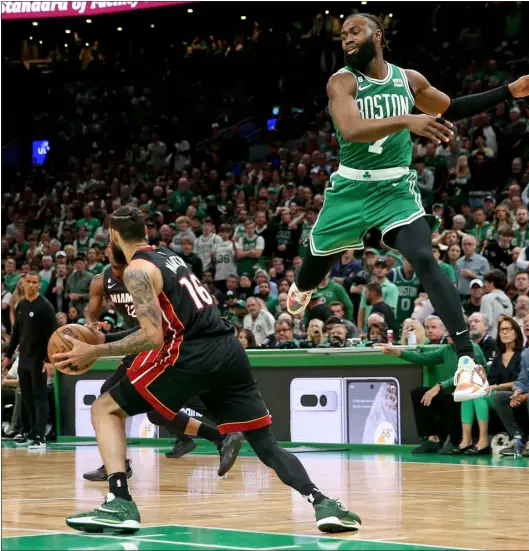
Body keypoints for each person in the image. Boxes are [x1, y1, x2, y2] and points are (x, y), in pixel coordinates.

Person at [54, 205, 360, 534]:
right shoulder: (169, 256)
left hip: (190, 352)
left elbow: (153, 335)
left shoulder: (136, 271)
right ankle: (323, 503)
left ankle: (119, 502)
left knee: (104, 408)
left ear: (113, 236)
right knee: (266, 445)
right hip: (229, 350)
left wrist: (96, 350)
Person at [286, 12, 529, 400]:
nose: (347, 38)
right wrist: (407, 120)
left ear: (379, 34)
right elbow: (352, 130)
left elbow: (450, 107)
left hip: (395, 188)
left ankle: (466, 360)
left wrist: (510, 89)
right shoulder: (341, 81)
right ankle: (302, 288)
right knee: (313, 269)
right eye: (343, 34)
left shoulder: (408, 79)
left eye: (355, 30)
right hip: (351, 190)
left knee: (425, 258)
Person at [82, 242, 238, 480]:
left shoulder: (143, 270)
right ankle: (218, 436)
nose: (115, 249)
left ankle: (118, 465)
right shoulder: (101, 280)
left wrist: (104, 342)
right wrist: (93, 323)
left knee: (114, 396)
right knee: (155, 410)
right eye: (110, 245)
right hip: (136, 341)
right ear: (106, 252)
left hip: (158, 339)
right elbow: (90, 312)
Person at [379, 335, 486, 455]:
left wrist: (440, 386)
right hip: (450, 390)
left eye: (449, 330)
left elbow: (465, 373)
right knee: (419, 393)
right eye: (446, 330)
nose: (446, 334)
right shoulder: (448, 349)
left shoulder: (472, 348)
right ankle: (432, 439)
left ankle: (455, 440)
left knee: (452, 395)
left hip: (470, 390)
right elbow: (424, 358)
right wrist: (397, 351)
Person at [1, 272, 57, 449]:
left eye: (35, 282)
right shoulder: (20, 305)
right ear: (23, 283)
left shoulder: (45, 306)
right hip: (23, 358)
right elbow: (16, 332)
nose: (31, 285)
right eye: (29, 282)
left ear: (39, 285)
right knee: (25, 396)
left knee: (39, 396)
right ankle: (27, 432)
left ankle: (40, 437)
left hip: (39, 359)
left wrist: (49, 360)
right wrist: (8, 356)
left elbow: (53, 335)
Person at [457, 317, 523, 454]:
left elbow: (521, 381)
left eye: (507, 329)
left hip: (517, 394)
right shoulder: (498, 356)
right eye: (501, 330)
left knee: (479, 397)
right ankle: (466, 440)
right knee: (469, 395)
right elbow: (490, 380)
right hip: (497, 394)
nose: (504, 333)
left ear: (516, 333)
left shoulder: (523, 354)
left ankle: (482, 440)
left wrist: (496, 387)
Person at [494, 317, 529, 457]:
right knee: (500, 397)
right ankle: (517, 439)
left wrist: (524, 397)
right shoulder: (527, 353)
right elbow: (522, 380)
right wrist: (517, 392)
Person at [480, 269, 513, 338]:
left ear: (491, 283)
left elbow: (486, 323)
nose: (484, 285)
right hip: (506, 338)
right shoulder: (508, 299)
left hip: (491, 339)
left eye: (485, 282)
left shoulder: (486, 298)